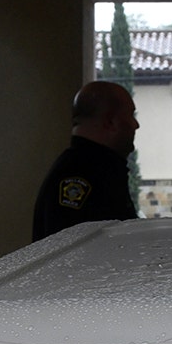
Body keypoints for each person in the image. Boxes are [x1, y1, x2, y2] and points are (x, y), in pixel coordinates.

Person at [32, 80, 140, 241]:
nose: (136, 125)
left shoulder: (97, 168)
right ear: (110, 121)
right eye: (131, 115)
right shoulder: (80, 174)